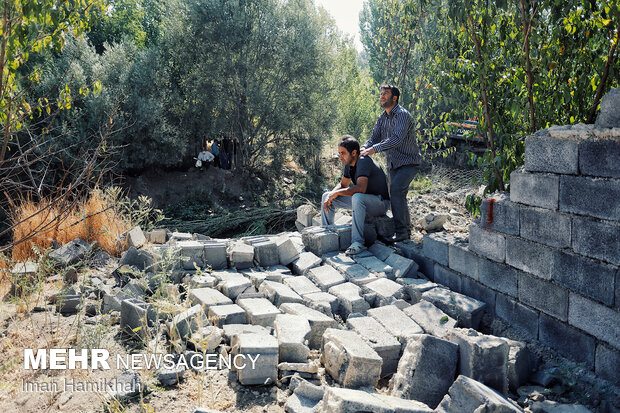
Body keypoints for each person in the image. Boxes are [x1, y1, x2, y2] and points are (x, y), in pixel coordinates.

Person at [360, 84, 422, 243]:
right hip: (393, 164)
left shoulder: (402, 115)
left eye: (386, 93)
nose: (382, 96)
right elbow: (374, 137)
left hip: (409, 162)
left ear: (394, 98)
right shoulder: (383, 117)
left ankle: (401, 233)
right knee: (398, 195)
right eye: (381, 93)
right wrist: (365, 147)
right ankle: (406, 232)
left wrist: (374, 149)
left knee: (395, 191)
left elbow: (396, 139)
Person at [321, 135, 390, 255]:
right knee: (326, 195)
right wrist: (331, 194)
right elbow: (343, 185)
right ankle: (326, 234)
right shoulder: (349, 164)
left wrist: (336, 193)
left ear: (353, 152)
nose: (340, 157)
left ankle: (358, 243)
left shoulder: (363, 161)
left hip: (380, 204)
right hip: (363, 202)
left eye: (343, 153)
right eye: (339, 153)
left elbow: (360, 189)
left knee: (357, 196)